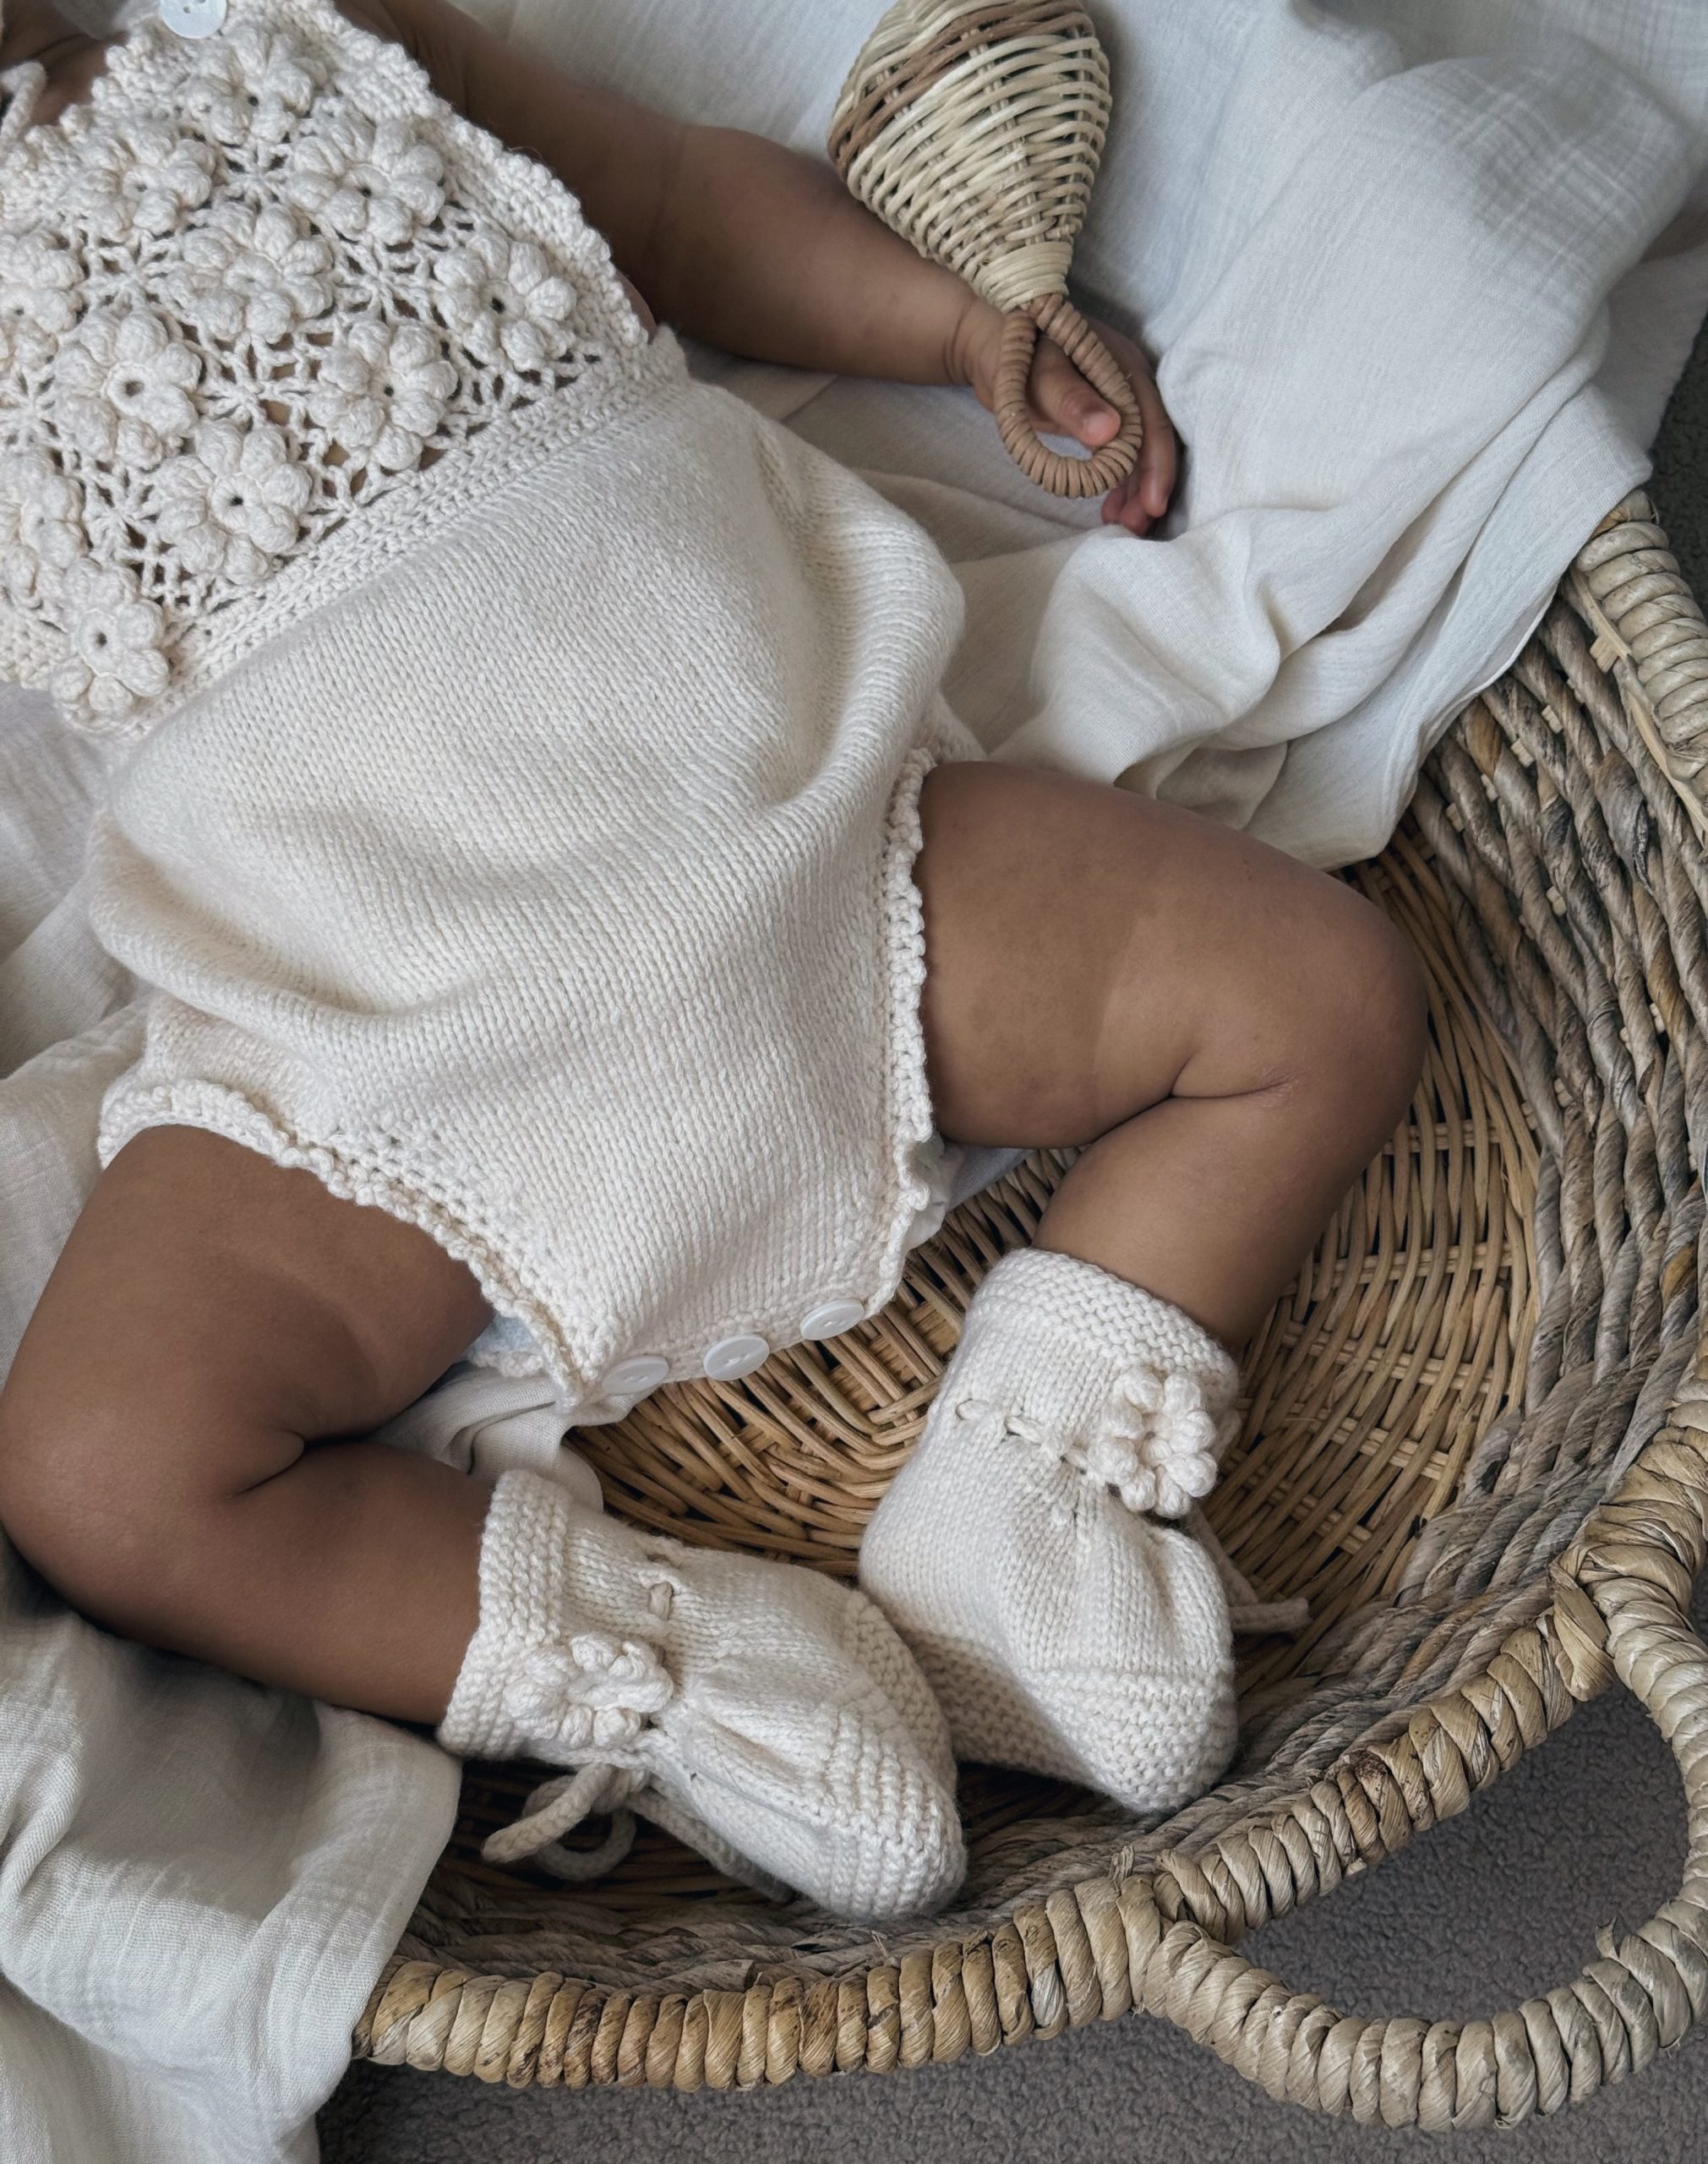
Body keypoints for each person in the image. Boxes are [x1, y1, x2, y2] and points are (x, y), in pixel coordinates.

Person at [0, 0, 1426, 1918]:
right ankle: (655, 1660)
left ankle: (1019, 1483)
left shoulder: (299, 29)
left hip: (808, 844)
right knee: (100, 1474)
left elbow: (665, 202)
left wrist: (947, 327)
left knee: (1316, 994)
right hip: (380, 1038)